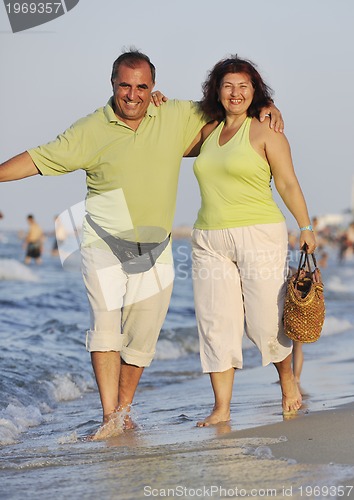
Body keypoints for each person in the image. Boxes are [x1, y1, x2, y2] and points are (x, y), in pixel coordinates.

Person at [0, 50, 283, 439]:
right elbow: (36, 159)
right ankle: (109, 417)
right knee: (105, 327)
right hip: (103, 241)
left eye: (142, 87)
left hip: (155, 246)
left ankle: (123, 410)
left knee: (141, 338)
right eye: (125, 86)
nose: (133, 94)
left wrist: (268, 105)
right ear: (112, 84)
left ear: (153, 88)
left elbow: (229, 104)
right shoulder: (89, 130)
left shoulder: (174, 115)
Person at [186, 56, 316, 426]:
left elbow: (288, 183)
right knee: (215, 324)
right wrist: (159, 102)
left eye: (243, 86)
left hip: (259, 233)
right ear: (217, 91)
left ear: (255, 91)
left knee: (263, 322)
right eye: (228, 86)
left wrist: (305, 226)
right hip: (209, 237)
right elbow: (170, 141)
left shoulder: (265, 132)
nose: (235, 93)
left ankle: (287, 380)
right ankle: (221, 407)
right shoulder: (208, 131)